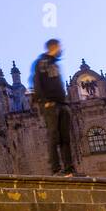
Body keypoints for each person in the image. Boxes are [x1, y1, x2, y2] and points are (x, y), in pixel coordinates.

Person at [31, 39, 77, 176]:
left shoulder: (55, 64)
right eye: (59, 47)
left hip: (62, 104)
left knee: (65, 137)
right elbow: (37, 83)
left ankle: (69, 168)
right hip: (51, 104)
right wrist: (44, 101)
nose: (61, 49)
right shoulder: (42, 62)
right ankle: (55, 169)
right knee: (53, 136)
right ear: (54, 47)